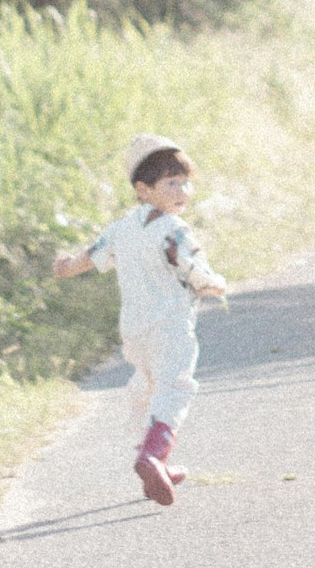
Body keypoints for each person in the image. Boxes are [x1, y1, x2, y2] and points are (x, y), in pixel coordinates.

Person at [52, 134, 231, 506]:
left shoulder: (122, 227)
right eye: (171, 183)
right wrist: (212, 284)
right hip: (170, 326)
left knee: (143, 389)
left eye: (185, 182)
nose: (182, 191)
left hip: (134, 331)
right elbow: (193, 265)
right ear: (143, 189)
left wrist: (68, 267)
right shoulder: (174, 229)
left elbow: (93, 253)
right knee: (175, 387)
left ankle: (151, 460)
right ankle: (154, 455)